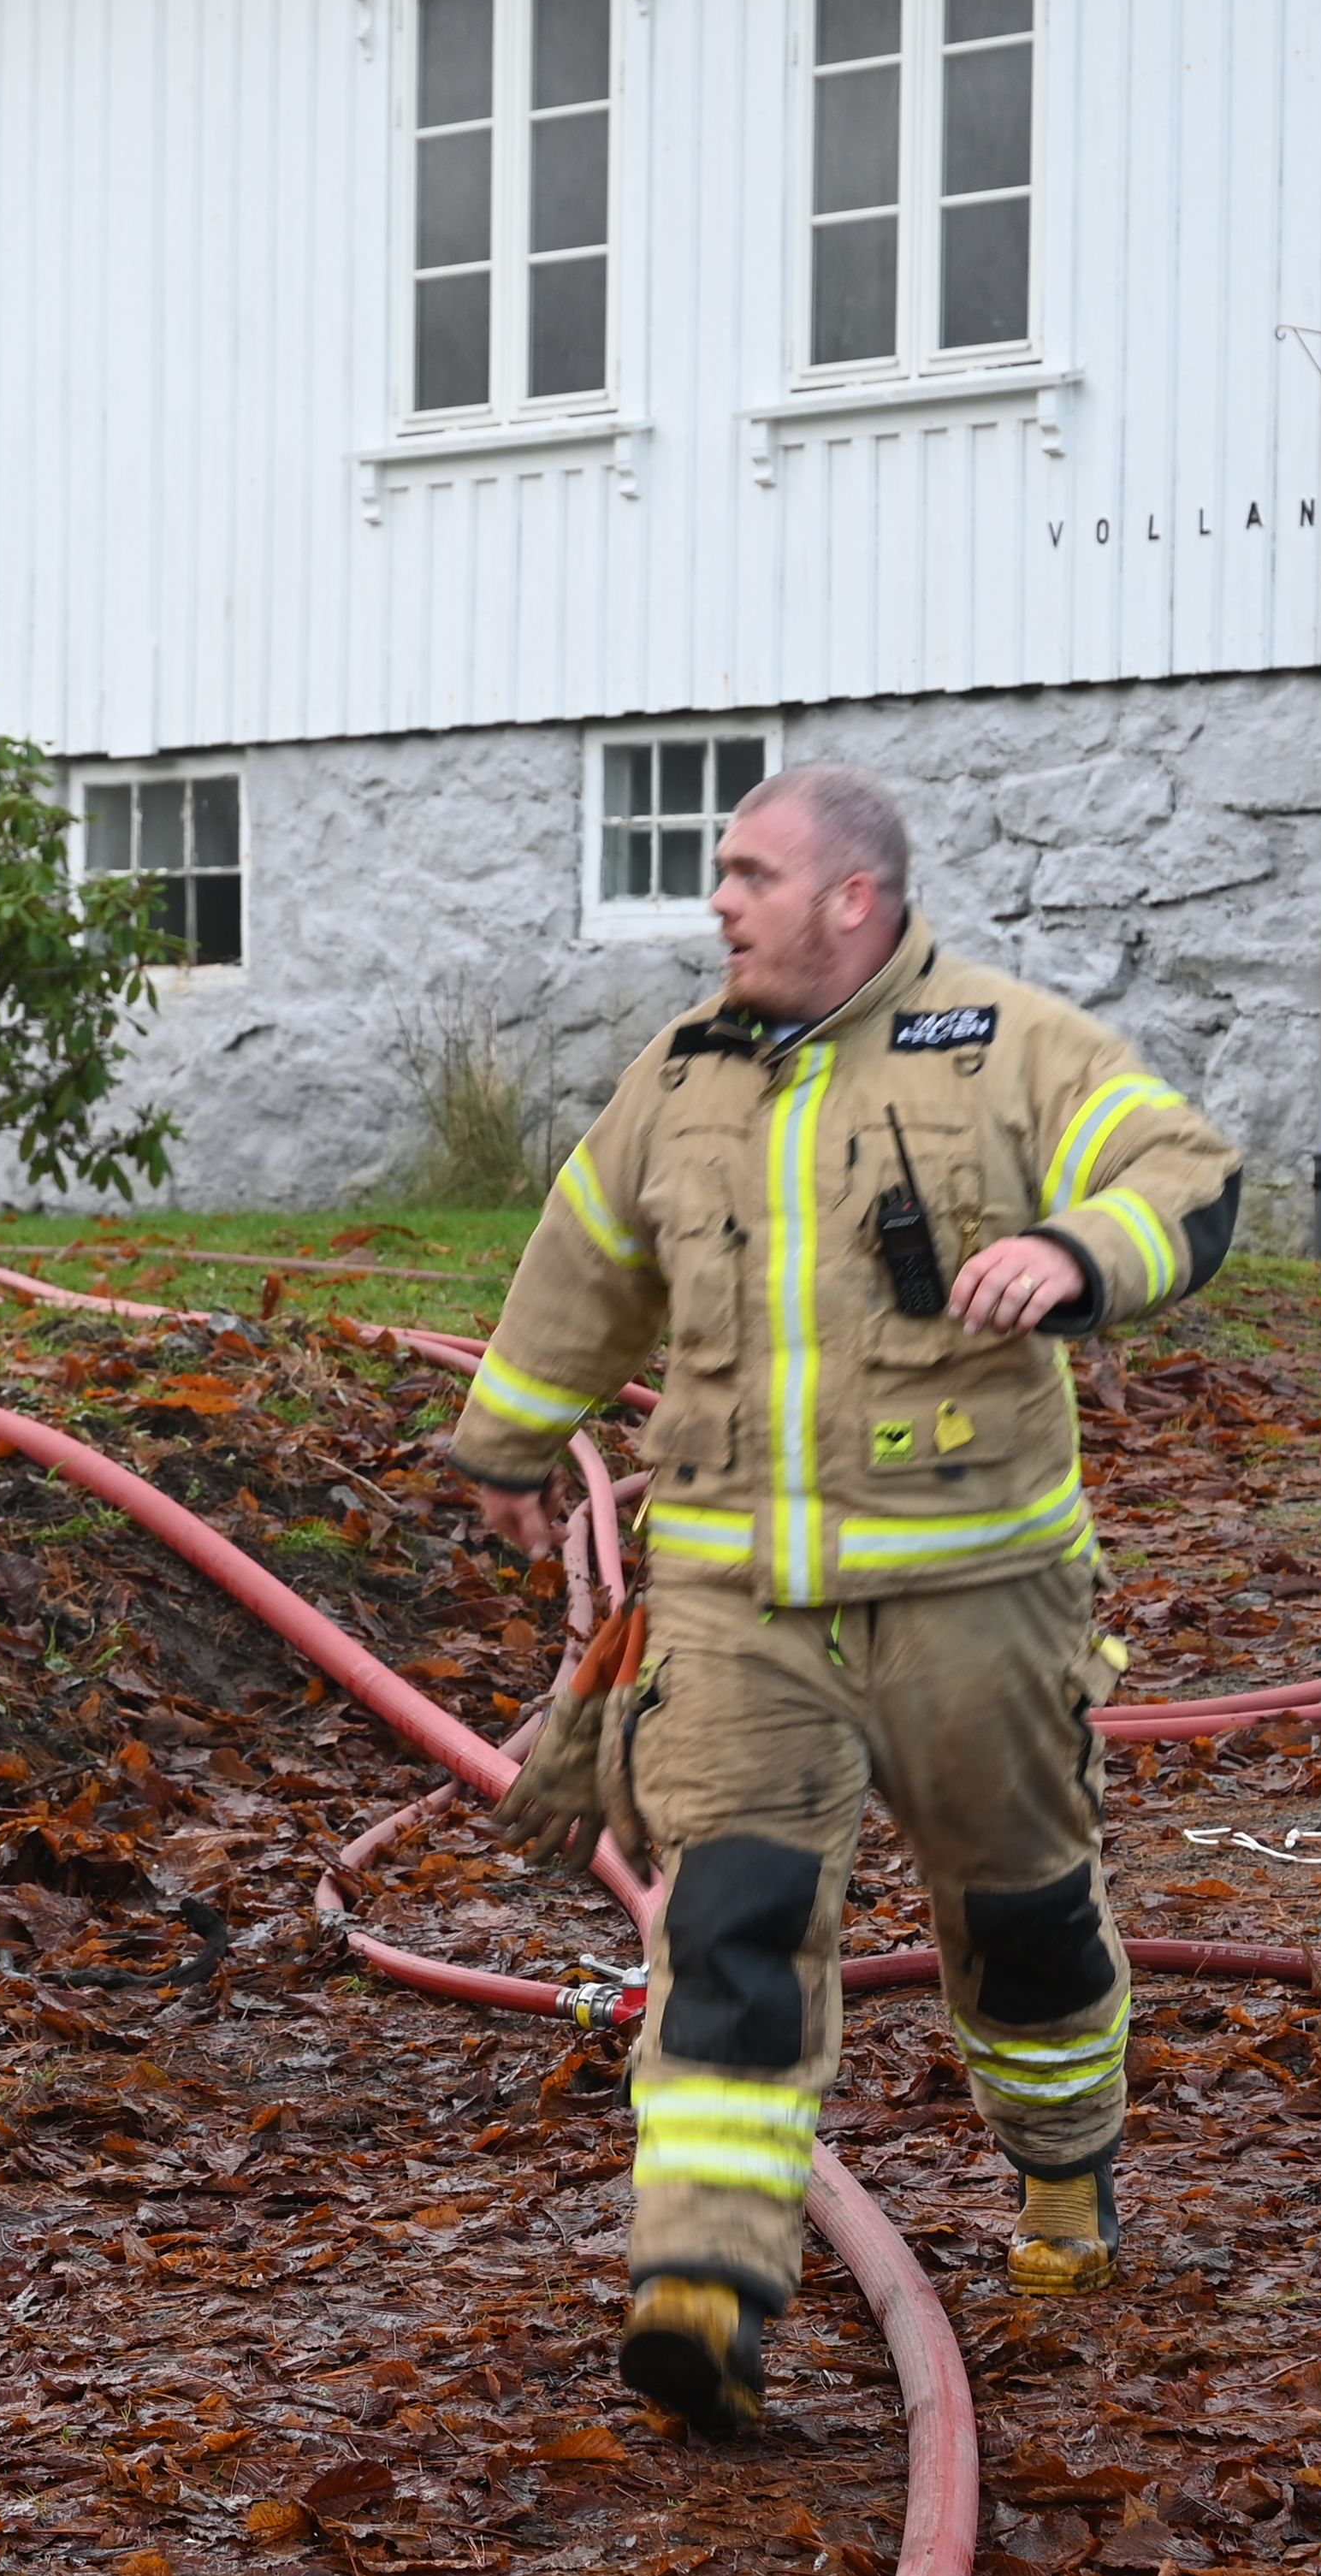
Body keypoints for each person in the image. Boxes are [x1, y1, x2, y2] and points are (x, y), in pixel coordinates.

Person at [442, 764, 1241, 2439]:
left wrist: (1081, 1253)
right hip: (738, 1610)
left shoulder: (1009, 1045)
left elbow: (1183, 1170)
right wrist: (515, 1431)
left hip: (978, 1602)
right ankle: (703, 2287)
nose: (717, 903)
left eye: (748, 874)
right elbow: (582, 1255)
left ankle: (1064, 2175)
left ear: (853, 898)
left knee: (1023, 1925)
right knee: (724, 1932)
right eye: (719, 875)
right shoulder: (680, 1080)